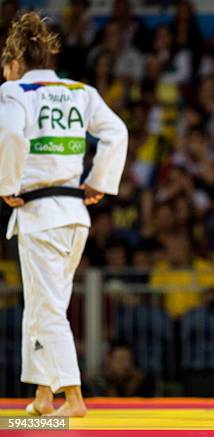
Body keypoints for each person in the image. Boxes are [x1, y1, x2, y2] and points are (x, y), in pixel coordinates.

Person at [0, 12, 128, 416]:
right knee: (42, 304)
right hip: (75, 212)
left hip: (41, 211)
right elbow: (117, 132)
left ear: (16, 62)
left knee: (48, 307)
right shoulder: (79, 90)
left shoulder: (15, 91)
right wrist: (98, 181)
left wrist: (6, 183)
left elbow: (11, 134)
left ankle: (72, 397)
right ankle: (42, 394)